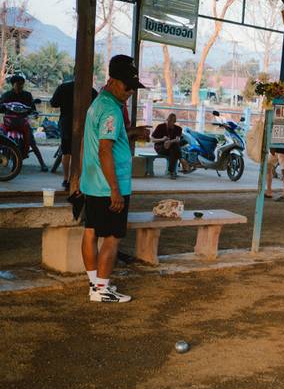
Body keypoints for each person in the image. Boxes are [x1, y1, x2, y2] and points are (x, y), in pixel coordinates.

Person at [75, 54, 146, 303]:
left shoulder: (98, 103)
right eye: (127, 86)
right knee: (112, 237)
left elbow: (94, 142)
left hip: (93, 182)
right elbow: (105, 149)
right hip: (108, 186)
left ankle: (95, 285)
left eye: (133, 88)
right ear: (113, 81)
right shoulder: (111, 111)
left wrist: (81, 176)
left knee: (91, 231)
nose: (130, 92)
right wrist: (115, 189)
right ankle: (101, 290)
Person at [50, 78, 98, 189]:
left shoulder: (63, 87)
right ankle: (78, 179)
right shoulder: (91, 90)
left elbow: (53, 103)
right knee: (82, 151)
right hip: (85, 124)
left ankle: (66, 179)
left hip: (66, 123)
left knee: (66, 152)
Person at [1, 74, 47, 171]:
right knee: (2, 139)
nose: (20, 86)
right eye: (18, 84)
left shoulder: (27, 95)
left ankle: (42, 164)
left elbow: (32, 109)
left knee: (32, 143)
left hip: (23, 122)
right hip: (9, 122)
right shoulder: (6, 95)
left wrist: (34, 113)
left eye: (22, 84)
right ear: (13, 84)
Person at [151, 113, 187, 179]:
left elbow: (177, 139)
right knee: (175, 147)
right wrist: (162, 139)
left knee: (173, 149)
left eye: (171, 121)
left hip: (172, 148)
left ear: (174, 122)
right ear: (166, 120)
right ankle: (181, 160)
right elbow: (152, 139)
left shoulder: (178, 129)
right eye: (168, 121)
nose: (169, 123)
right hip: (160, 147)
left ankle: (171, 172)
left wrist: (169, 142)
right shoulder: (160, 126)